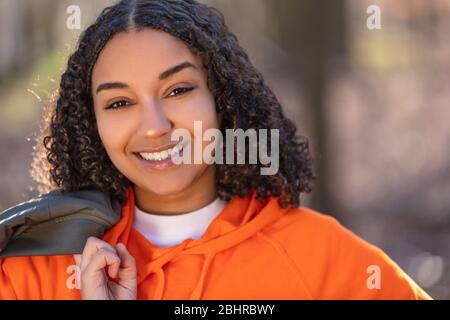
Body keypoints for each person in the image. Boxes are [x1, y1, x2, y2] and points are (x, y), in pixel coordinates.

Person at [0, 0, 431, 300]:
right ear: (92, 126)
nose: (154, 126)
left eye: (179, 89)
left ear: (222, 98)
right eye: (119, 102)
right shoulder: (37, 268)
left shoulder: (325, 260)